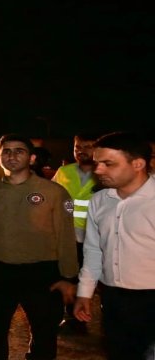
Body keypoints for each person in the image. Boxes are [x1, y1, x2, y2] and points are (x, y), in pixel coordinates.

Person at [0, 134, 78, 360]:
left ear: (32, 158)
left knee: (44, 335)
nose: (12, 156)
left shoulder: (54, 192)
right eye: (6, 151)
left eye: (19, 151)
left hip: (40, 274)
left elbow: (66, 237)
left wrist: (69, 278)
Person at [74, 132, 155, 360]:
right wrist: (84, 293)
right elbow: (93, 250)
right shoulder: (99, 201)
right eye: (97, 163)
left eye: (108, 164)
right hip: (113, 299)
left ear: (138, 164)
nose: (98, 170)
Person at [52, 133, 98, 332]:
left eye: (87, 146)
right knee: (68, 278)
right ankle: (72, 320)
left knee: (90, 280)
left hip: (94, 237)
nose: (81, 151)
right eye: (78, 147)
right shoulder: (64, 171)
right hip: (67, 236)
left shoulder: (103, 172)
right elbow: (53, 196)